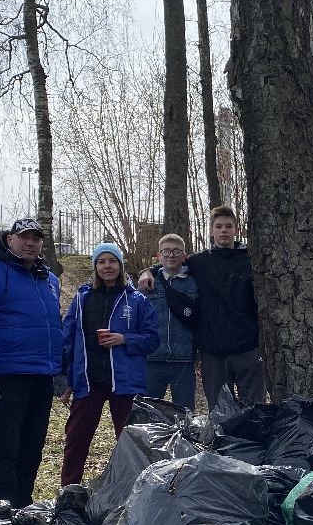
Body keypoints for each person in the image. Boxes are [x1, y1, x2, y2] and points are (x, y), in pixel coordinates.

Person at [0, 217, 64, 510]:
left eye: (36, 238)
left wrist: (60, 368)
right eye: (24, 237)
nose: (30, 243)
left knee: (32, 449)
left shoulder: (49, 279)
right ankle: (1, 515)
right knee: (5, 448)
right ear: (10, 240)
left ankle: (23, 509)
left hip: (42, 376)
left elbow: (53, 325)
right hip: (6, 378)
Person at [137, 205, 264, 407]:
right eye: (219, 226)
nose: (224, 230)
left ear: (236, 230)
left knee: (255, 408)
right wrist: (147, 271)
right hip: (213, 352)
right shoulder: (199, 261)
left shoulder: (251, 258)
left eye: (228, 226)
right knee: (219, 411)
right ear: (212, 231)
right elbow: (170, 265)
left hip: (247, 348)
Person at [58, 242, 159, 486]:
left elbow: (152, 339)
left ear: (121, 265)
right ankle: (69, 492)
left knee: (131, 442)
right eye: (101, 262)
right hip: (89, 380)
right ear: (95, 267)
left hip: (125, 382)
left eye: (112, 261)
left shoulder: (137, 300)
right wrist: (67, 379)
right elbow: (67, 339)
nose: (107, 266)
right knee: (76, 439)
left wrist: (125, 339)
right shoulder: (82, 298)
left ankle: (138, 492)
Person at [143, 232, 199, 410]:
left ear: (184, 256)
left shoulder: (194, 283)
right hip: (153, 358)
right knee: (148, 413)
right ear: (159, 256)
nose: (171, 255)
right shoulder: (148, 283)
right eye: (166, 251)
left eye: (176, 251)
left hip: (184, 360)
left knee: (184, 413)